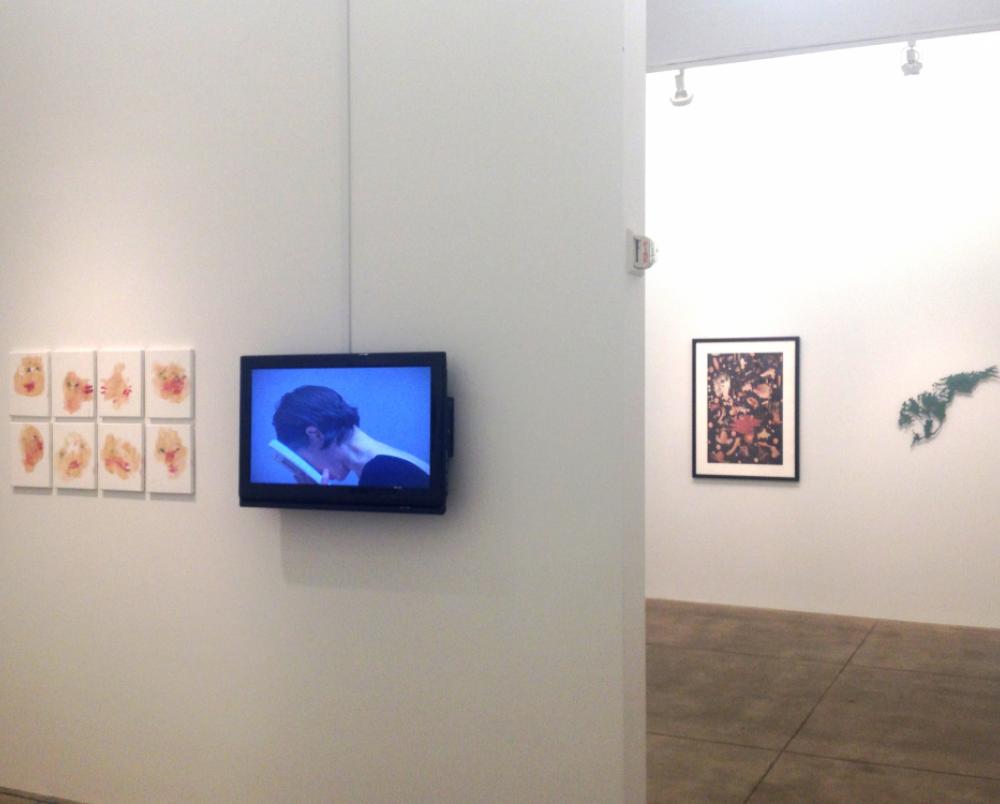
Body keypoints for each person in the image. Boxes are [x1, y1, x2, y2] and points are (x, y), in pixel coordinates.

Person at [272, 385, 430, 488]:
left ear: (315, 434)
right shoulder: (389, 462)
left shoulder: (381, 472)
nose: (313, 472)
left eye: (305, 461)